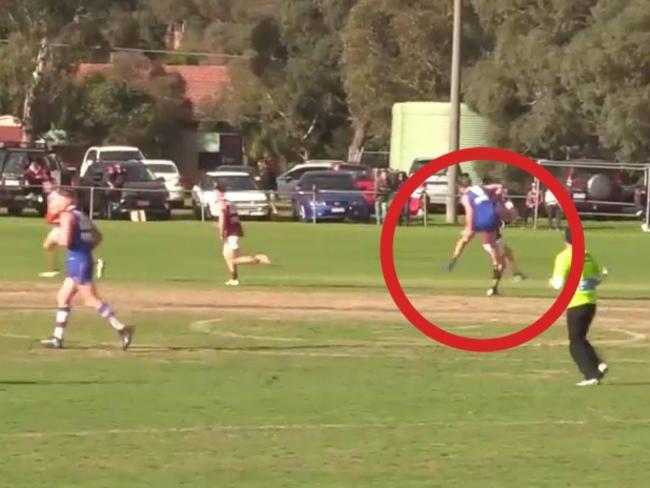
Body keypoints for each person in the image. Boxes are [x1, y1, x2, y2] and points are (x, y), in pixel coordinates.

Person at [40, 189, 133, 350]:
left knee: (91, 300)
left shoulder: (66, 216)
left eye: (57, 200)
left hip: (78, 261)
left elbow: (67, 242)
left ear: (67, 200)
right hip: (81, 258)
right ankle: (58, 338)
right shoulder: (80, 214)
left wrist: (55, 237)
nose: (54, 204)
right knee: (63, 297)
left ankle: (121, 328)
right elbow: (98, 236)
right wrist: (85, 248)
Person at [550, 228, 608, 386]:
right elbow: (597, 277)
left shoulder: (564, 257)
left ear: (565, 241)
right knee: (580, 338)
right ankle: (598, 364)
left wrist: (551, 281)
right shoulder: (587, 255)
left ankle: (591, 375)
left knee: (575, 343)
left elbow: (557, 284)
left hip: (576, 302)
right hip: (591, 301)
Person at [447, 176, 505, 297]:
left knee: (467, 239)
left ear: (460, 187)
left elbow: (470, 212)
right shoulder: (481, 187)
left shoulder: (466, 197)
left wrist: (468, 228)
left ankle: (454, 259)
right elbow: (499, 186)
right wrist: (496, 198)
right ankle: (495, 283)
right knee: (494, 249)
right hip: (491, 217)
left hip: (480, 219)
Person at [215, 183, 270, 286]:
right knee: (226, 255)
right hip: (234, 232)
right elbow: (235, 218)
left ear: (219, 192)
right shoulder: (230, 203)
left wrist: (221, 232)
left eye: (216, 192)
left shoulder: (222, 204)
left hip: (231, 234)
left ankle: (257, 259)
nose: (215, 194)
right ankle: (234, 278)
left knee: (233, 259)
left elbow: (222, 220)